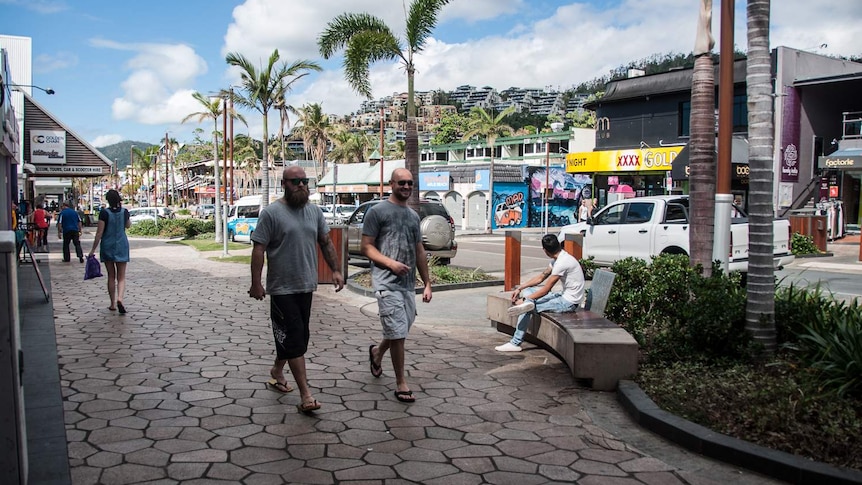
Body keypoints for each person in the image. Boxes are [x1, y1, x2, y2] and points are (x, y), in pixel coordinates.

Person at [249, 166, 345, 414]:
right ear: (284, 184)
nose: (301, 185)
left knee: (297, 337)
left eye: (304, 181)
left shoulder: (314, 212)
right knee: (294, 338)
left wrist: (335, 270)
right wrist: (256, 282)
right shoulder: (271, 213)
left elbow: (325, 242)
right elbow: (259, 249)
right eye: (295, 181)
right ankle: (306, 395)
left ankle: (277, 370)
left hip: (306, 285)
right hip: (281, 288)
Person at [363, 168, 432, 404]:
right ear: (391, 183)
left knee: (400, 328)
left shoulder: (413, 216)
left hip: (407, 285)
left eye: (410, 183)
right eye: (401, 182)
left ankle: (377, 353)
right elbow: (367, 247)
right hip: (386, 283)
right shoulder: (377, 211)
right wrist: (390, 264)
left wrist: (427, 283)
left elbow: (419, 251)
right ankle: (401, 382)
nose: (406, 187)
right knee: (398, 333)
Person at [495, 234, 585, 352]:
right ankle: (528, 303)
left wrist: (526, 300)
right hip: (562, 295)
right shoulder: (558, 259)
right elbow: (540, 278)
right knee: (529, 291)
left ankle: (515, 343)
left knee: (526, 308)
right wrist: (520, 288)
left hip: (568, 302)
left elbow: (546, 289)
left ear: (544, 250)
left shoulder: (562, 263)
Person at [88, 190, 131, 313]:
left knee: (111, 276)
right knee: (121, 276)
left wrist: (93, 249)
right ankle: (120, 299)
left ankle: (112, 303)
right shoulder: (124, 212)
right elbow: (128, 226)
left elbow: (99, 233)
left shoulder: (104, 213)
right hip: (122, 245)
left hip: (108, 245)